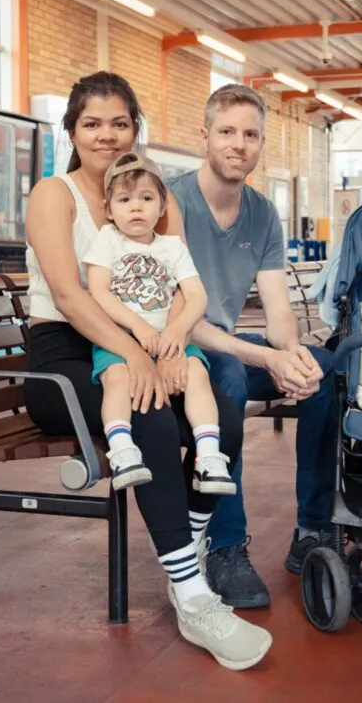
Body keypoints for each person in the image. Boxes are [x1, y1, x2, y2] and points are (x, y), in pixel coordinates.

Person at [22, 71, 271, 669]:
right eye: (92, 124)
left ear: (135, 129)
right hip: (64, 356)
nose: (106, 135)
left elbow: (181, 283)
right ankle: (193, 596)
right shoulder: (54, 194)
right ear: (72, 131)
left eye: (119, 123)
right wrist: (136, 355)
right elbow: (71, 296)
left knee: (222, 417)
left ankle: (186, 555)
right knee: (152, 416)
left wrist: (172, 345)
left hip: (147, 340)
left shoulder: (156, 196)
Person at [165, 84, 337, 609]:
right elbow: (181, 322)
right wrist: (265, 356)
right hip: (175, 352)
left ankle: (313, 529)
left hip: (226, 345)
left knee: (326, 371)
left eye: (250, 135)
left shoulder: (262, 214)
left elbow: (278, 311)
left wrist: (292, 354)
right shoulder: (169, 203)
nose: (238, 144)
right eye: (227, 132)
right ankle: (225, 546)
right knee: (231, 375)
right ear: (204, 137)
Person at [84, 151, 235, 496]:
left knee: (197, 374)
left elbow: (196, 296)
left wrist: (177, 330)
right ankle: (122, 451)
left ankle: (208, 457)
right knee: (116, 378)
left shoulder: (172, 247)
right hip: (121, 340)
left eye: (146, 198)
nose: (135, 207)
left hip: (168, 341)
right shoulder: (108, 239)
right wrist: (137, 326)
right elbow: (98, 291)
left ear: (163, 206)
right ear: (109, 210)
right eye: (124, 200)